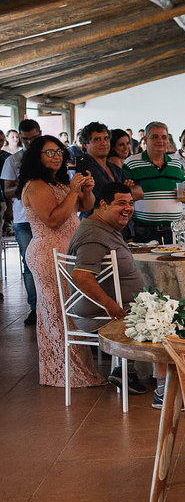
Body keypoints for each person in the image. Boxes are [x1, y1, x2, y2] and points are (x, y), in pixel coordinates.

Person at [19, 135, 99, 389]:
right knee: (58, 312)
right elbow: (53, 220)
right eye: (49, 152)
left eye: (59, 152)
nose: (56, 156)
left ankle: (74, 369)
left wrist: (86, 190)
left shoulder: (59, 182)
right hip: (48, 253)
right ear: (37, 156)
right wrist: (73, 191)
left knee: (70, 311)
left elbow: (85, 206)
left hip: (67, 251)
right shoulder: (36, 185)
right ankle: (64, 372)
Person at [66, 182, 148, 393]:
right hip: (99, 314)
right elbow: (81, 276)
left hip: (111, 308)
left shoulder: (103, 227)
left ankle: (126, 371)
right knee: (165, 317)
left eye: (130, 203)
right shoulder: (93, 235)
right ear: (103, 204)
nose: (128, 208)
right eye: (121, 203)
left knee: (161, 308)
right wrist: (110, 306)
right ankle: (164, 390)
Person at [2, 119, 43, 325]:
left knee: (55, 262)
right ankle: (35, 308)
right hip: (24, 219)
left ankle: (56, 305)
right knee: (29, 264)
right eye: (25, 139)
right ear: (19, 138)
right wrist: (26, 184)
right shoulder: (14, 160)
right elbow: (8, 191)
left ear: (40, 134)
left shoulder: (50, 156)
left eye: (34, 138)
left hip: (49, 216)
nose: (30, 143)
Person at [124, 121, 185, 243]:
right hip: (144, 232)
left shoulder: (176, 164)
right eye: (154, 137)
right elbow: (123, 194)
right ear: (145, 139)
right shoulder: (131, 163)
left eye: (164, 137)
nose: (160, 141)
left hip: (173, 232)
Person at [74, 122, 142, 214]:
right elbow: (96, 201)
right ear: (86, 144)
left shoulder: (114, 168)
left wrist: (120, 193)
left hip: (121, 220)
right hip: (95, 219)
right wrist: (125, 190)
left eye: (106, 138)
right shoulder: (84, 169)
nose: (103, 143)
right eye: (97, 139)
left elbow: (140, 193)